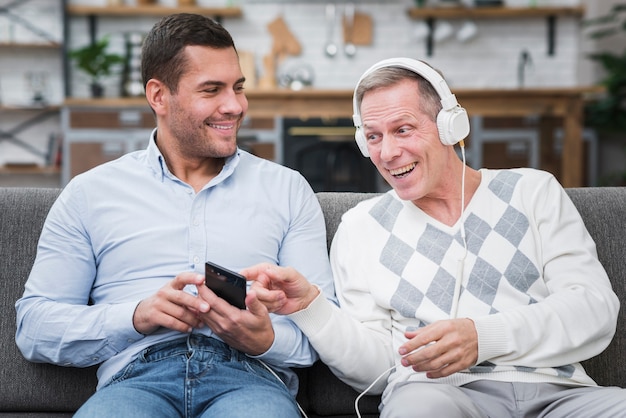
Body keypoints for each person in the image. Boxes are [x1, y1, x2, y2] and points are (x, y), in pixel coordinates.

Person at [243, 57, 626, 417]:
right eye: (373, 137)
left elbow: (593, 309)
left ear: (449, 125)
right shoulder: (362, 227)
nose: (388, 152)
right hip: (437, 394)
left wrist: (483, 336)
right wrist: (311, 306)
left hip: (562, 394)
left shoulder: (532, 191)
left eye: (403, 129)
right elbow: (374, 371)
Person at [15, 13, 335, 418]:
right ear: (158, 96)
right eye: (212, 90)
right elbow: (35, 327)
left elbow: (329, 325)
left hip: (251, 377)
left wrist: (266, 339)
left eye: (238, 87)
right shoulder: (89, 193)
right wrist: (134, 316)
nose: (235, 106)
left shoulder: (287, 190)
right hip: (135, 379)